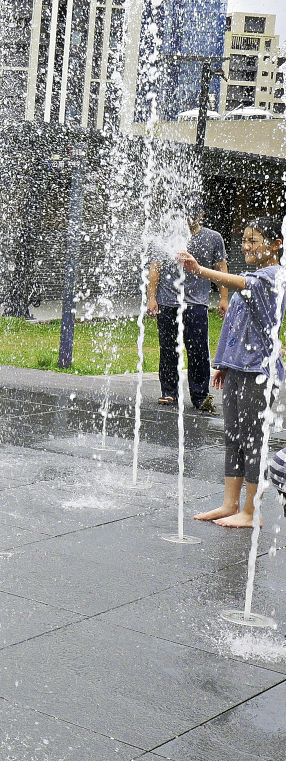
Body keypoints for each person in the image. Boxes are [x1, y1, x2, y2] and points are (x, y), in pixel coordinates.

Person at [177, 217, 286, 528]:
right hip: (239, 368)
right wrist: (223, 362)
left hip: (259, 372)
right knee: (233, 436)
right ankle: (230, 503)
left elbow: (238, 283)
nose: (246, 246)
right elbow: (234, 324)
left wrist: (199, 270)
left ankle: (252, 512)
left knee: (253, 438)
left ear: (276, 244)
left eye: (253, 240)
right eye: (244, 240)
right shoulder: (254, 276)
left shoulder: (275, 276)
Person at [147, 203, 229, 410]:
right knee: (168, 350)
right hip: (167, 303)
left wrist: (224, 298)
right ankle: (169, 392)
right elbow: (154, 268)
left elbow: (221, 268)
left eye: (193, 214)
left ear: (201, 214)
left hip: (196, 304)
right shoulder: (165, 237)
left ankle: (200, 396)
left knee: (199, 352)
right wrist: (151, 298)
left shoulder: (213, 237)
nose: (188, 218)